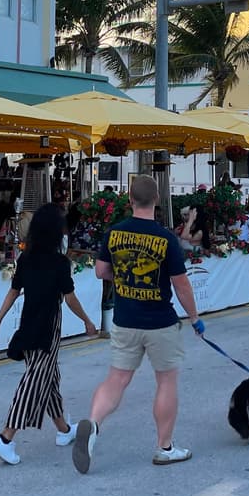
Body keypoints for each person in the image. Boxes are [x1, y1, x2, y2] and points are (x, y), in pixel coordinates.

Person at [73, 174, 204, 474]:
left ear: (130, 199)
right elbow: (181, 285)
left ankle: (92, 424)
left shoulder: (114, 233)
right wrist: (195, 318)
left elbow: (101, 272)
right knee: (166, 381)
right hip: (160, 321)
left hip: (125, 319)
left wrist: (124, 277)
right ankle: (165, 447)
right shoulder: (166, 238)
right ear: (157, 201)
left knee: (116, 379)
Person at [0, 204, 98, 465]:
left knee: (48, 378)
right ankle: (5, 438)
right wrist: (88, 322)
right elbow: (69, 299)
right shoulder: (60, 263)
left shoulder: (26, 258)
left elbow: (14, 292)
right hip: (49, 325)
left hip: (29, 321)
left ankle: (64, 430)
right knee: (35, 379)